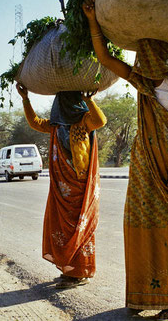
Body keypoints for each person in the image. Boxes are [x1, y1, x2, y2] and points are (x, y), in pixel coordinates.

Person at [82, 0, 168, 320]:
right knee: (140, 223)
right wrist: (93, 20)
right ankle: (148, 293)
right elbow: (104, 58)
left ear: (158, 53)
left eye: (146, 52)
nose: (142, 59)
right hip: (145, 165)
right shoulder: (142, 81)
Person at [16, 83, 106, 289]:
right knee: (64, 229)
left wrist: (89, 100)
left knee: (80, 227)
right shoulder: (55, 126)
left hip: (79, 187)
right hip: (62, 187)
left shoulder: (84, 121)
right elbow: (35, 122)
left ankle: (81, 272)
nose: (60, 106)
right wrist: (25, 99)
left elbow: (100, 121)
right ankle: (69, 270)